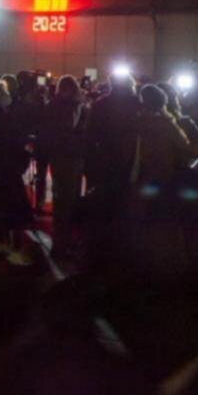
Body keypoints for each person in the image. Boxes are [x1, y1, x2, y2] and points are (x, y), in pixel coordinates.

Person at [84, 70, 142, 268]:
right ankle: (123, 252)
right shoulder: (137, 104)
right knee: (125, 206)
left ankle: (101, 251)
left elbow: (90, 135)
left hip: (104, 161)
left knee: (104, 207)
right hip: (129, 161)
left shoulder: (100, 104)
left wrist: (91, 163)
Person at [0, 80, 35, 266]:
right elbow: (12, 140)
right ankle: (14, 250)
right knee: (14, 208)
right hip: (7, 168)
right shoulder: (1, 117)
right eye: (5, 93)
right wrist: (25, 149)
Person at [45, 75, 88, 252]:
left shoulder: (51, 104)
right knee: (68, 198)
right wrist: (79, 106)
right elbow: (72, 125)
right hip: (71, 156)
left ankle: (60, 238)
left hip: (58, 155)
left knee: (60, 196)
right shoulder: (73, 105)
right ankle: (64, 240)